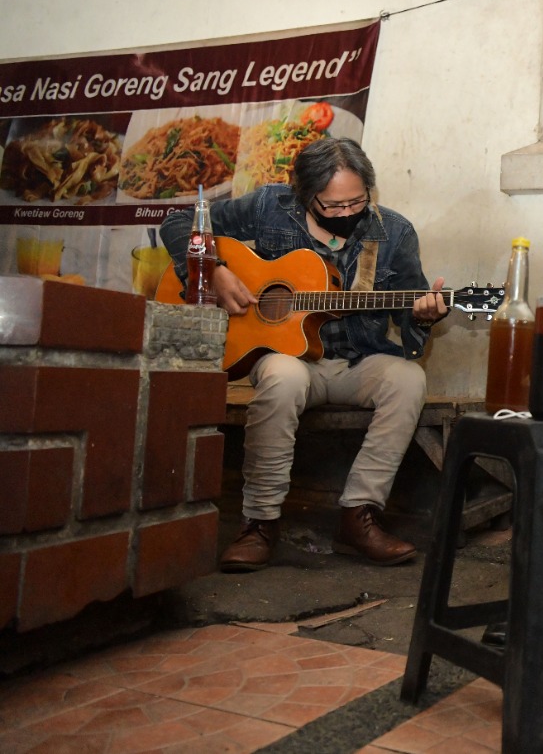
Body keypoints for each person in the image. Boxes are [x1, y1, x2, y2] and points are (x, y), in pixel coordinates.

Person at [159, 136, 450, 573]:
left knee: (409, 379)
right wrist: (212, 271)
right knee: (282, 375)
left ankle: (359, 515)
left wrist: (425, 318)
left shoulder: (394, 232)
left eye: (357, 201)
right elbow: (178, 222)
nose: (348, 213)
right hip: (292, 361)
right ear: (305, 194)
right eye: (333, 206)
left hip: (358, 360)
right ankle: (260, 522)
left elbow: (410, 320)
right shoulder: (267, 207)